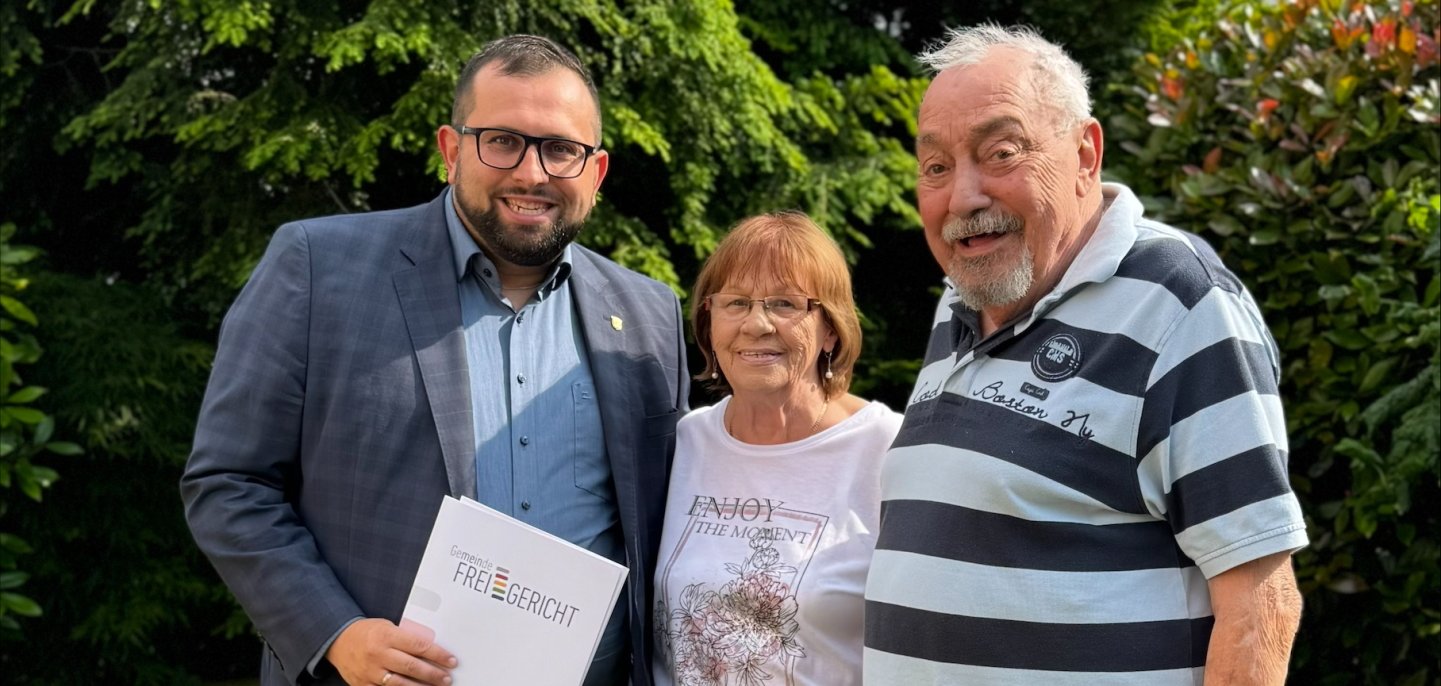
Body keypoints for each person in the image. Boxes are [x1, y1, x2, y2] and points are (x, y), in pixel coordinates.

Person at [181, 35, 688, 686]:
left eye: (561, 149)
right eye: (502, 140)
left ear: (595, 171)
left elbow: (667, 521)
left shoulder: (648, 314)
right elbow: (229, 483)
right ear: (452, 150)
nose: (532, 173)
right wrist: (333, 632)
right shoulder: (316, 268)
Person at [863, 25, 1308, 685]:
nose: (962, 197)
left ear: (1084, 154)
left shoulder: (1178, 303)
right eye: (935, 167)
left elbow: (1261, 601)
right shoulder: (961, 299)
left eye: (1001, 152)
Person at [651, 212, 903, 686]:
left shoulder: (890, 450)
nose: (757, 324)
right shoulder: (683, 443)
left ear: (831, 329)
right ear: (709, 321)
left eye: (785, 304)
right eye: (736, 303)